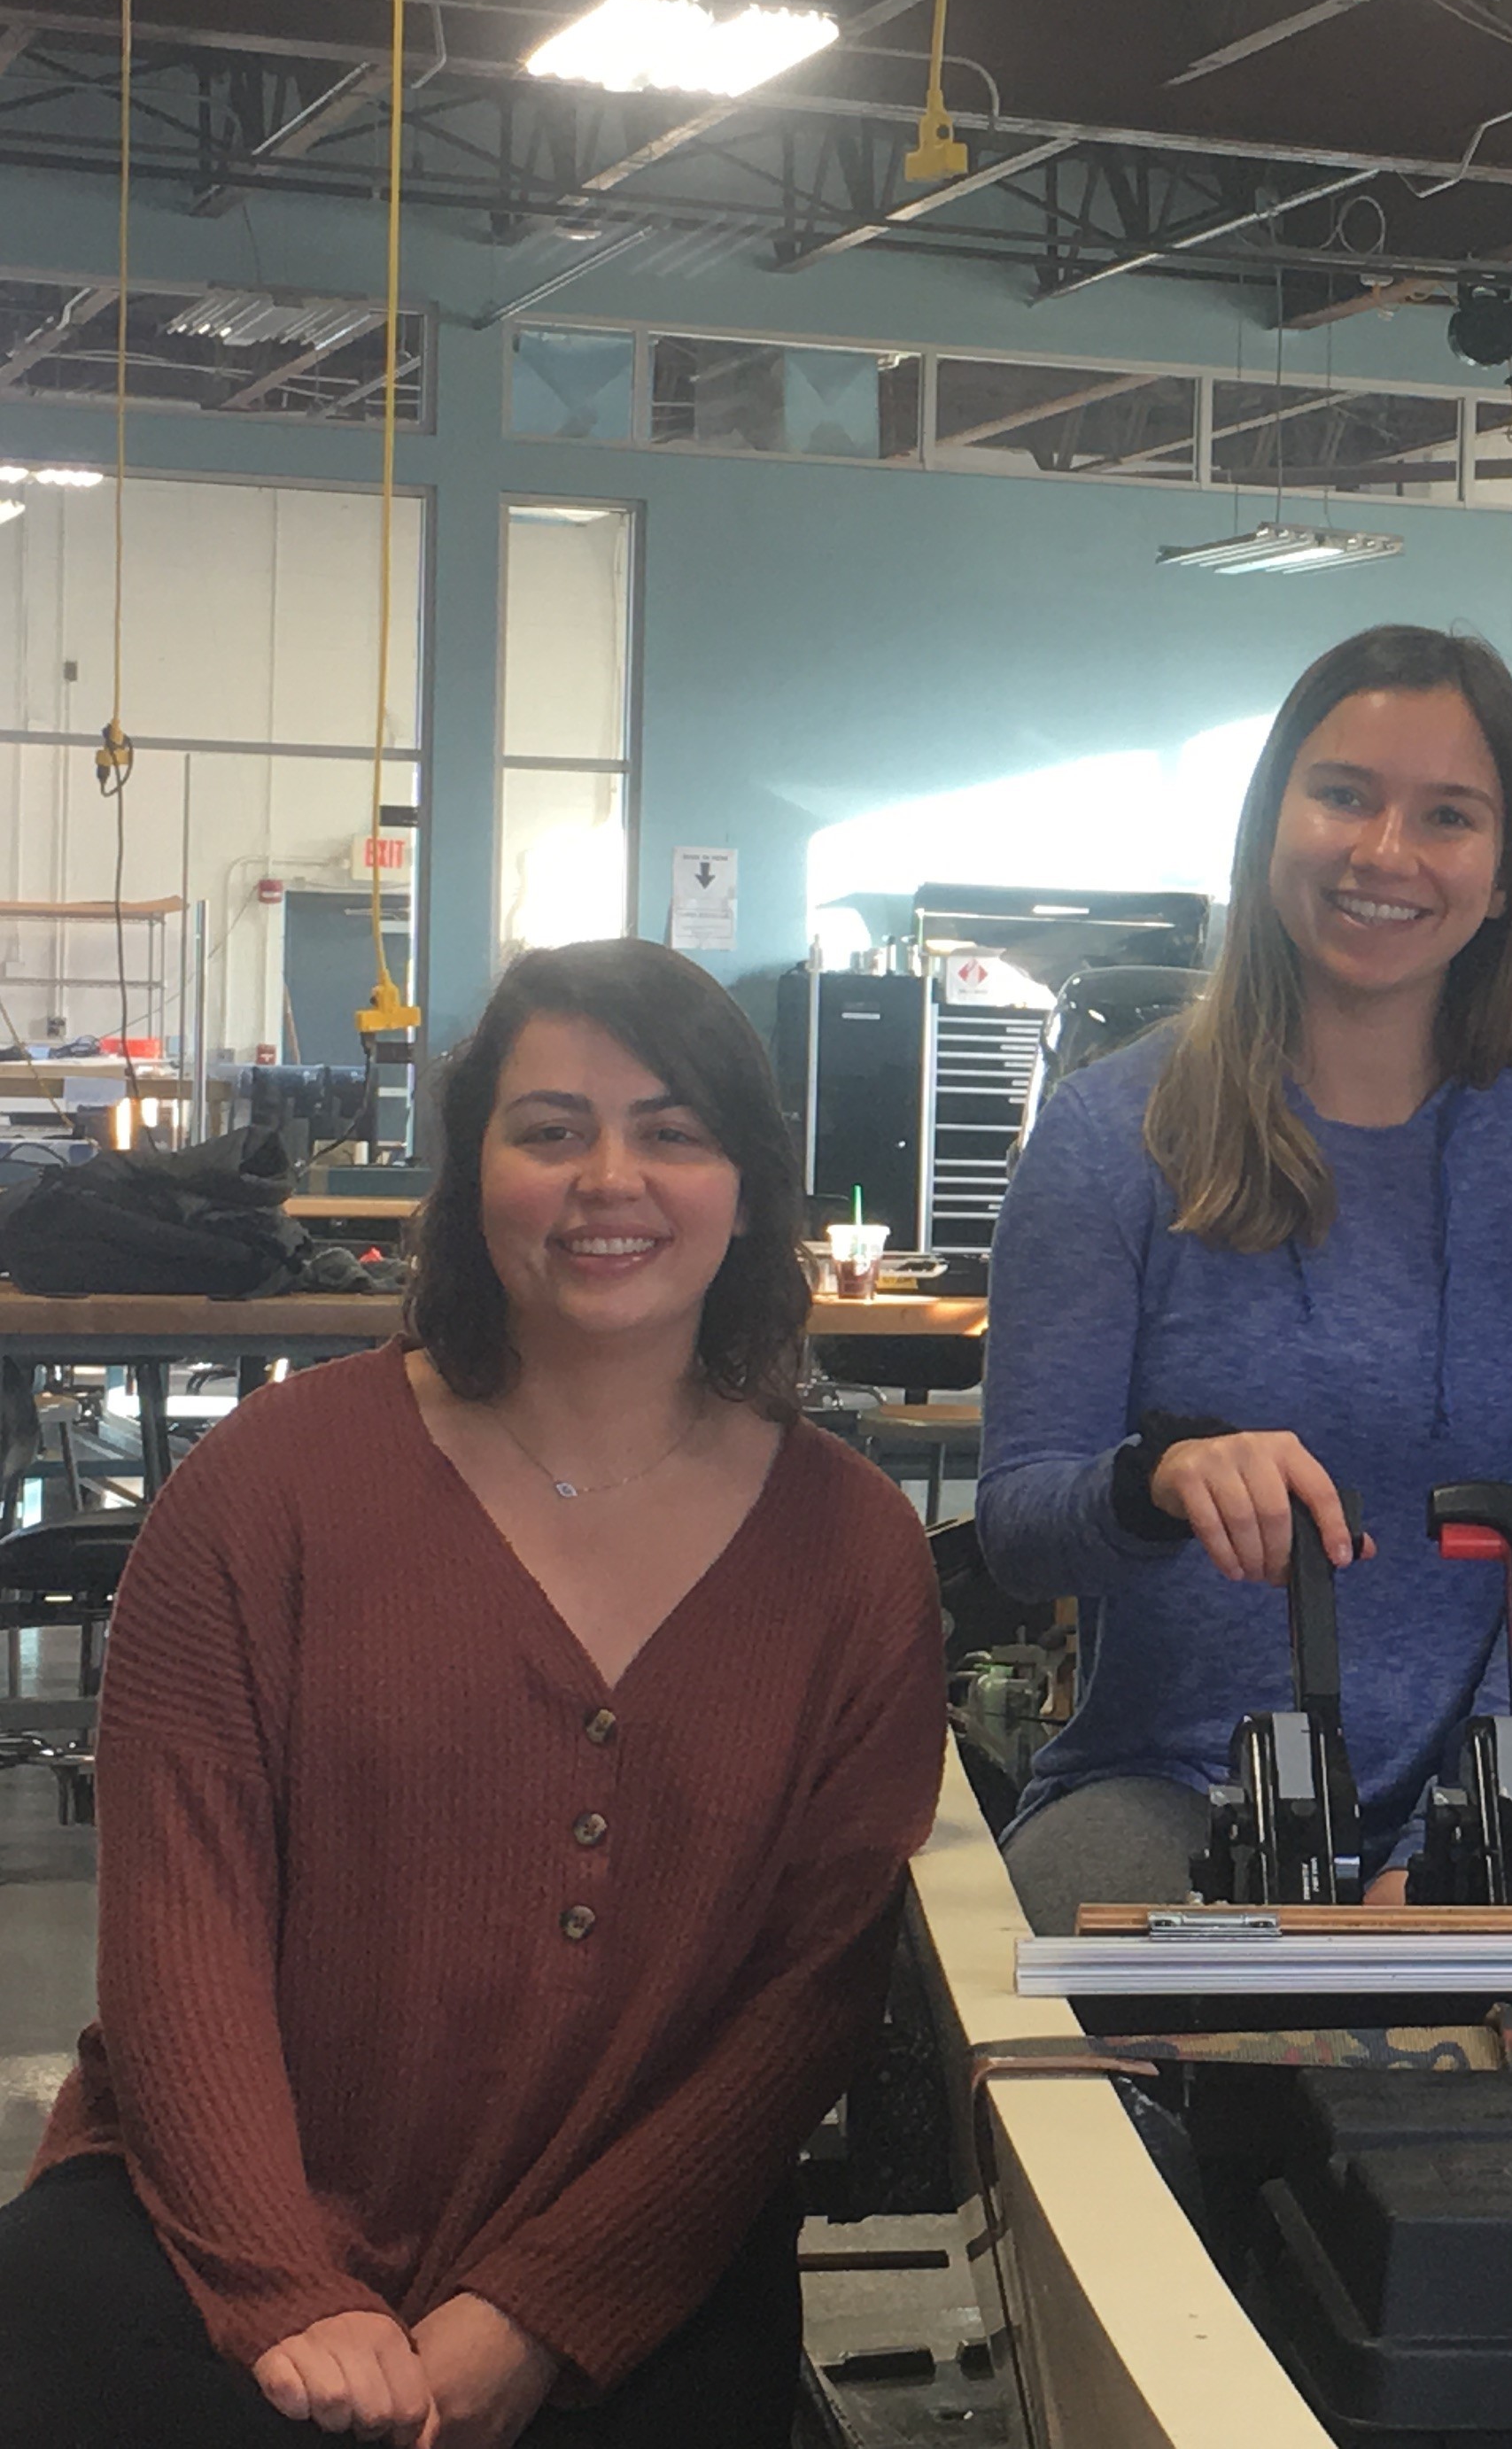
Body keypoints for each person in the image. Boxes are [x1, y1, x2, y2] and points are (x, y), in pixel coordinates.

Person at [0, 940, 944, 2447]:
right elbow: (183, 1936)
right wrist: (286, 2286)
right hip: (208, 2227)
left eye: (672, 1129)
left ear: (754, 1183)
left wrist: (544, 2305)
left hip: (631, 2267)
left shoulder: (854, 1558)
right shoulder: (266, 1491)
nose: (608, 1177)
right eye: (551, 1127)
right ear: (472, 1169)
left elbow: (804, 1999)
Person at [980, 626, 1512, 1927]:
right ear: (1269, 821)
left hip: (1508, 1790)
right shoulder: (1108, 1134)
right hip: (1172, 1787)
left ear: (1511, 871)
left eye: (1449, 816)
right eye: (1345, 794)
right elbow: (1022, 1527)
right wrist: (1157, 1481)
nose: (1384, 853)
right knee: (1114, 2030)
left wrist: (1457, 1837)